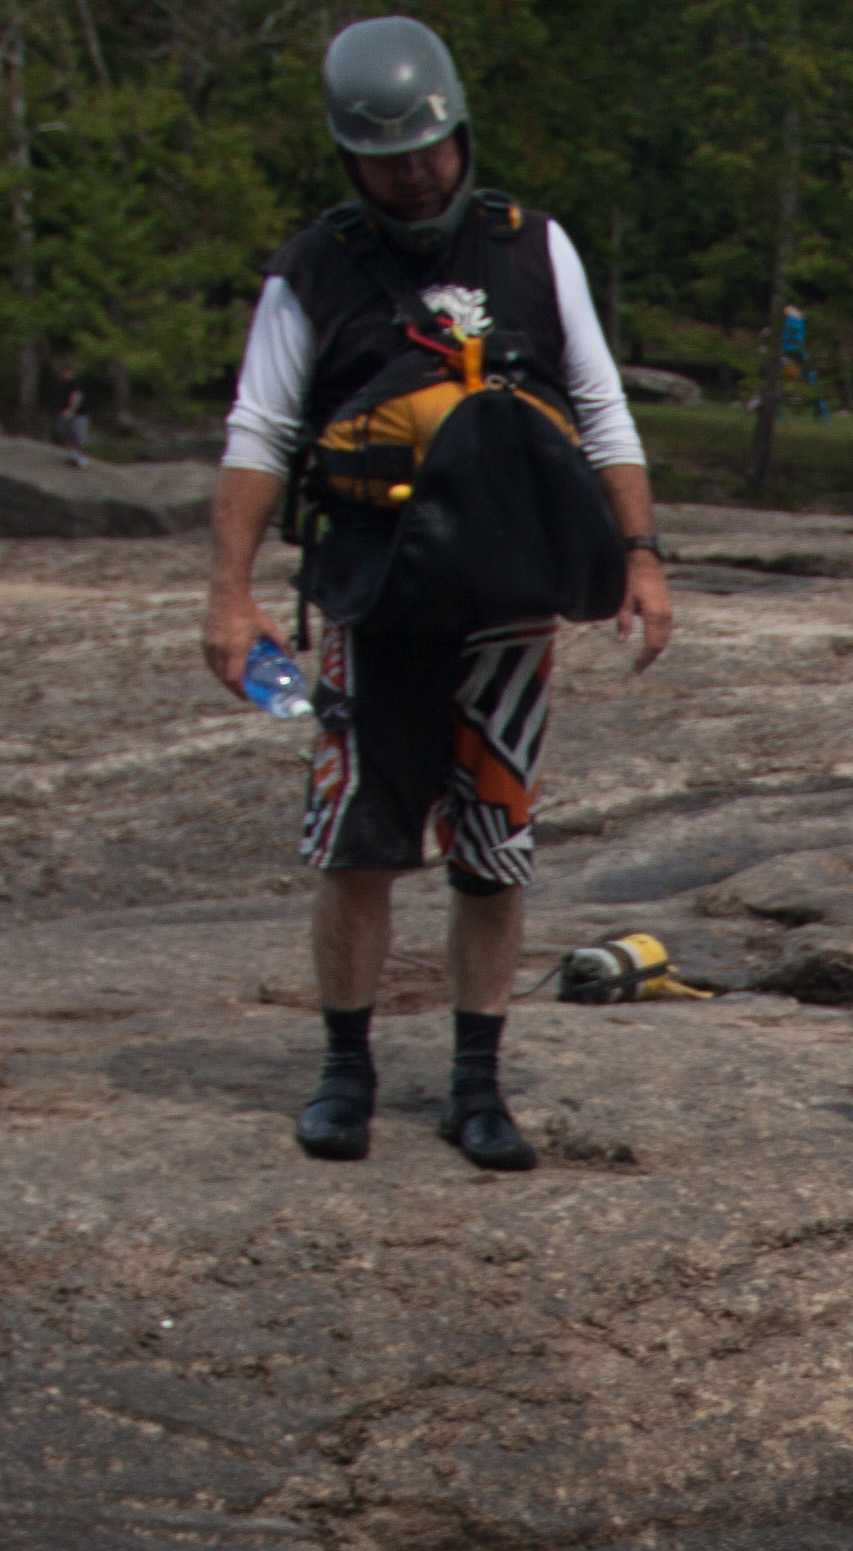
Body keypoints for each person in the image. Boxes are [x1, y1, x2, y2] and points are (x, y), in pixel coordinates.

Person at [199, 15, 676, 1170]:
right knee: (358, 847)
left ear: (459, 132)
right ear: (349, 158)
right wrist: (229, 595)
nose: (414, 175)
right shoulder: (314, 268)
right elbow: (260, 432)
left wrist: (642, 555)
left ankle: (476, 1083)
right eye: (387, 160)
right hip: (376, 602)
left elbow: (600, 406)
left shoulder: (533, 247)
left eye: (430, 150)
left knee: (493, 852)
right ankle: (344, 1072)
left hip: (508, 604)